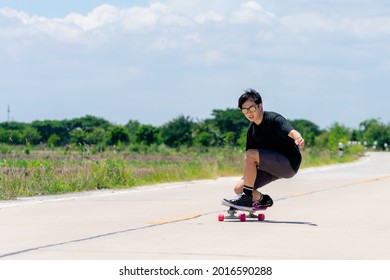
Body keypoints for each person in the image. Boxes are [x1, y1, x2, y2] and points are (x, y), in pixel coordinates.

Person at [222, 88, 305, 211]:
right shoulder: (252, 130)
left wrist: (298, 137)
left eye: (251, 108)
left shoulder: (273, 119)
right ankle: (263, 200)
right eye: (245, 111)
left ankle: (246, 199)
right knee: (239, 188)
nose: (249, 113)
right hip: (270, 167)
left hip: (288, 163)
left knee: (251, 155)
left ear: (260, 106)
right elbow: (250, 162)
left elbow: (291, 130)